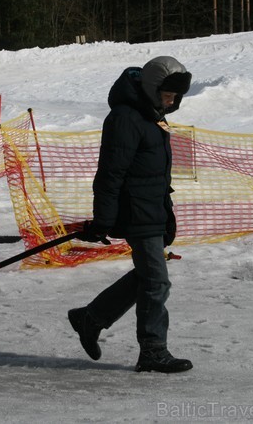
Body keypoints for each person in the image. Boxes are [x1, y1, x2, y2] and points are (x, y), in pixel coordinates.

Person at [70, 56, 193, 373]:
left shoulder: (152, 116)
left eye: (176, 95)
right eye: (167, 93)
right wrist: (103, 220)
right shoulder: (126, 118)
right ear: (152, 88)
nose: (172, 100)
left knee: (148, 276)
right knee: (156, 281)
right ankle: (153, 350)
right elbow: (110, 174)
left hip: (152, 210)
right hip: (136, 211)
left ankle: (91, 317)